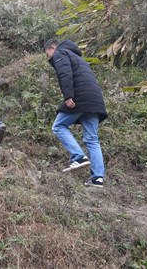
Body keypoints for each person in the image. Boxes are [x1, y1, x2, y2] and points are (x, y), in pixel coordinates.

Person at [44, 39, 108, 188]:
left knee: (58, 126)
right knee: (92, 139)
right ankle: (97, 179)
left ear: (53, 48)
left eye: (49, 54)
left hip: (80, 97)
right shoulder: (78, 58)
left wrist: (68, 96)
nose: (50, 57)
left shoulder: (60, 52)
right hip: (94, 100)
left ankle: (79, 157)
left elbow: (64, 73)